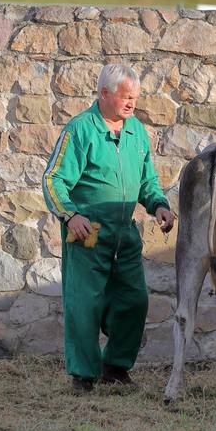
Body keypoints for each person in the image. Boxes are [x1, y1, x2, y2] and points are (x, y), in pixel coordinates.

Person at [42, 63, 176, 394]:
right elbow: (53, 179)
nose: (132, 103)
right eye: (125, 97)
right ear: (105, 94)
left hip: (125, 232)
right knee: (85, 304)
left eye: (135, 97)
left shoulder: (137, 133)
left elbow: (148, 180)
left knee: (134, 300)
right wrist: (70, 215)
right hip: (88, 231)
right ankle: (83, 376)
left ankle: (115, 367)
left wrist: (159, 205)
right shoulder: (79, 130)